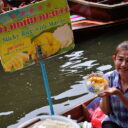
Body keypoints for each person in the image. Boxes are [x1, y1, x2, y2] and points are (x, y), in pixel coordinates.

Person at [98, 41, 128, 128]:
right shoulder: (108, 78)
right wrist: (104, 92)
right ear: (114, 59)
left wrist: (119, 94)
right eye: (120, 59)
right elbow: (107, 112)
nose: (123, 65)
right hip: (115, 121)